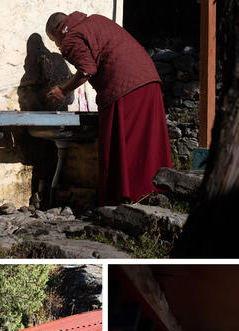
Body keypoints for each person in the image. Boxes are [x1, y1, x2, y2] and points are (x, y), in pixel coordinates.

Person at [45, 11, 172, 205]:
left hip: (124, 87)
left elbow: (87, 69)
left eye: (54, 41)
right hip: (149, 78)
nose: (58, 46)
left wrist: (63, 90)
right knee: (148, 141)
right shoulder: (94, 20)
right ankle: (157, 193)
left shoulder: (70, 37)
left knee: (123, 144)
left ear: (57, 31)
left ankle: (125, 198)